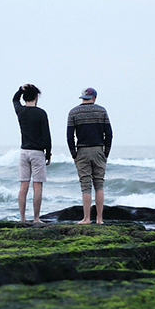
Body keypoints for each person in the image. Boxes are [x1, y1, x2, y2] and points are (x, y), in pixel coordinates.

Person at [66, 87, 113, 224]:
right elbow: (109, 134)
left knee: (85, 185)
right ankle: (99, 219)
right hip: (99, 149)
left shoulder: (73, 112)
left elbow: (69, 136)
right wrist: (106, 152)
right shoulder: (102, 111)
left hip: (82, 150)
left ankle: (86, 218)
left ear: (82, 97)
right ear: (94, 98)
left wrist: (74, 154)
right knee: (99, 184)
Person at [13, 84, 52, 223]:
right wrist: (49, 154)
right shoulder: (41, 113)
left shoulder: (21, 111)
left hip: (24, 152)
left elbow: (14, 100)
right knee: (37, 186)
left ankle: (22, 218)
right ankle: (36, 218)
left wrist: (20, 90)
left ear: (24, 98)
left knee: (23, 185)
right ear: (36, 97)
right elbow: (46, 135)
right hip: (37, 152)